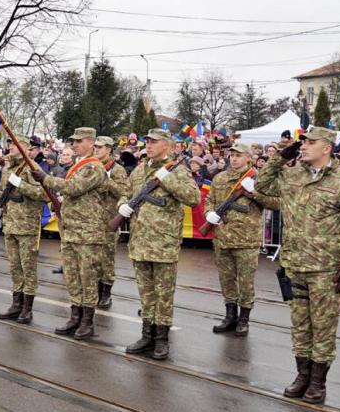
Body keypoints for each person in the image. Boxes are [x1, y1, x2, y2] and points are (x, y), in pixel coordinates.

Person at [255, 127, 340, 404]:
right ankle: (302, 374)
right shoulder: (293, 175)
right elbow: (261, 185)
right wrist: (280, 157)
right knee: (300, 325)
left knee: (323, 326)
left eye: (310, 142)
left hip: (327, 269)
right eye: (302, 143)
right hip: (295, 264)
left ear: (327, 148)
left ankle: (318, 381)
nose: (303, 146)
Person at [118, 128, 200, 359]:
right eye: (148, 141)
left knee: (164, 295)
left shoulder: (178, 171)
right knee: (146, 293)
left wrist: (167, 179)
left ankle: (162, 339)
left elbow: (193, 199)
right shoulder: (140, 170)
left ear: (167, 145)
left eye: (154, 142)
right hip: (140, 241)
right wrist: (123, 205)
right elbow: (127, 192)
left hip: (164, 243)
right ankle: (147, 335)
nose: (149, 145)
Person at [31, 127, 109, 339]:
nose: (73, 144)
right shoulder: (77, 165)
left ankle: (87, 322)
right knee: (73, 277)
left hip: (88, 233)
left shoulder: (94, 166)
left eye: (78, 141)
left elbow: (74, 188)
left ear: (90, 143)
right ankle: (75, 316)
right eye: (73, 141)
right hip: (72, 230)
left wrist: (45, 178)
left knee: (88, 278)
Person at [205, 141, 278, 336]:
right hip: (222, 237)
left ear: (249, 157)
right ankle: (230, 315)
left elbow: (276, 203)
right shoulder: (220, 178)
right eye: (232, 155)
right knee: (227, 279)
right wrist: (209, 214)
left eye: (239, 155)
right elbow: (209, 200)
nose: (234, 158)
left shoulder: (258, 179)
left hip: (246, 239)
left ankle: (244, 318)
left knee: (246, 282)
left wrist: (253, 194)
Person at [0, 134, 48, 324]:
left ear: (25, 147)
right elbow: (3, 191)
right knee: (15, 267)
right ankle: (16, 304)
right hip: (10, 224)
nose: (10, 148)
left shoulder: (33, 168)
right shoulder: (8, 167)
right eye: (9, 144)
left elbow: (44, 194)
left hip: (27, 225)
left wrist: (22, 185)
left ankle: (27, 308)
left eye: (15, 145)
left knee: (28, 268)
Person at [94, 135, 130, 309]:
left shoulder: (116, 170)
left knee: (106, 258)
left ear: (109, 149)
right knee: (93, 258)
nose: (96, 150)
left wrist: (107, 180)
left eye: (100, 147)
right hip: (92, 220)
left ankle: (106, 293)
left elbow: (124, 192)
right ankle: (95, 290)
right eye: (95, 147)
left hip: (109, 220)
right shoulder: (92, 165)